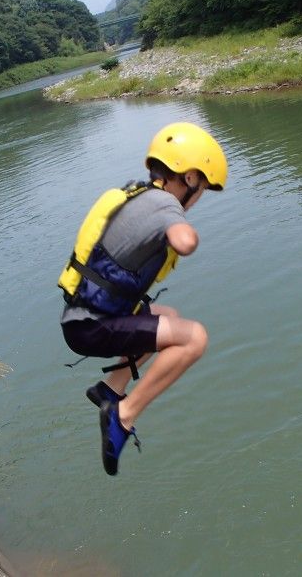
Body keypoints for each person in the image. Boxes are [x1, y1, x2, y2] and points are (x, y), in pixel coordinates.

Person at [58, 122, 227, 475]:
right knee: (194, 338)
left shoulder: (140, 196)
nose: (199, 199)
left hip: (82, 319)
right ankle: (124, 416)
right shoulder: (165, 206)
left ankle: (110, 390)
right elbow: (182, 241)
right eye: (203, 189)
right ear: (191, 178)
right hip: (92, 327)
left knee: (167, 316)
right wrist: (188, 235)